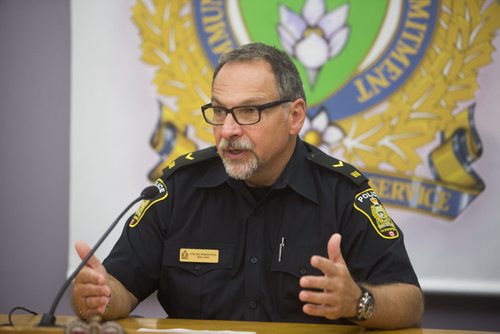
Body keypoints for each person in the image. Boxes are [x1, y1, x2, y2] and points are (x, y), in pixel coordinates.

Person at [71, 42, 424, 329]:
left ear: (295, 116)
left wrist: (359, 301)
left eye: (249, 112)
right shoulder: (180, 188)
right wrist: (99, 295)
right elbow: (119, 289)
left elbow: (410, 302)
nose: (228, 130)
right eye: (221, 111)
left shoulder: (341, 193)